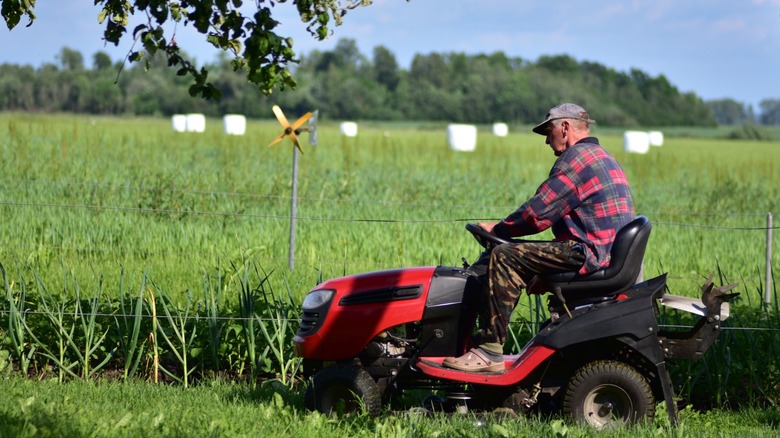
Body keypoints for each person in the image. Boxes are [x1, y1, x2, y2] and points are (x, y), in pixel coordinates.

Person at [442, 103, 635, 373]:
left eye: (549, 131)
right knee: (512, 255)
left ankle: (488, 351)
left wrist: (498, 229)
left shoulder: (576, 160)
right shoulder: (601, 156)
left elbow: (537, 214)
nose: (546, 140)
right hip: (602, 252)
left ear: (565, 128)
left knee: (503, 256)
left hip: (588, 253)